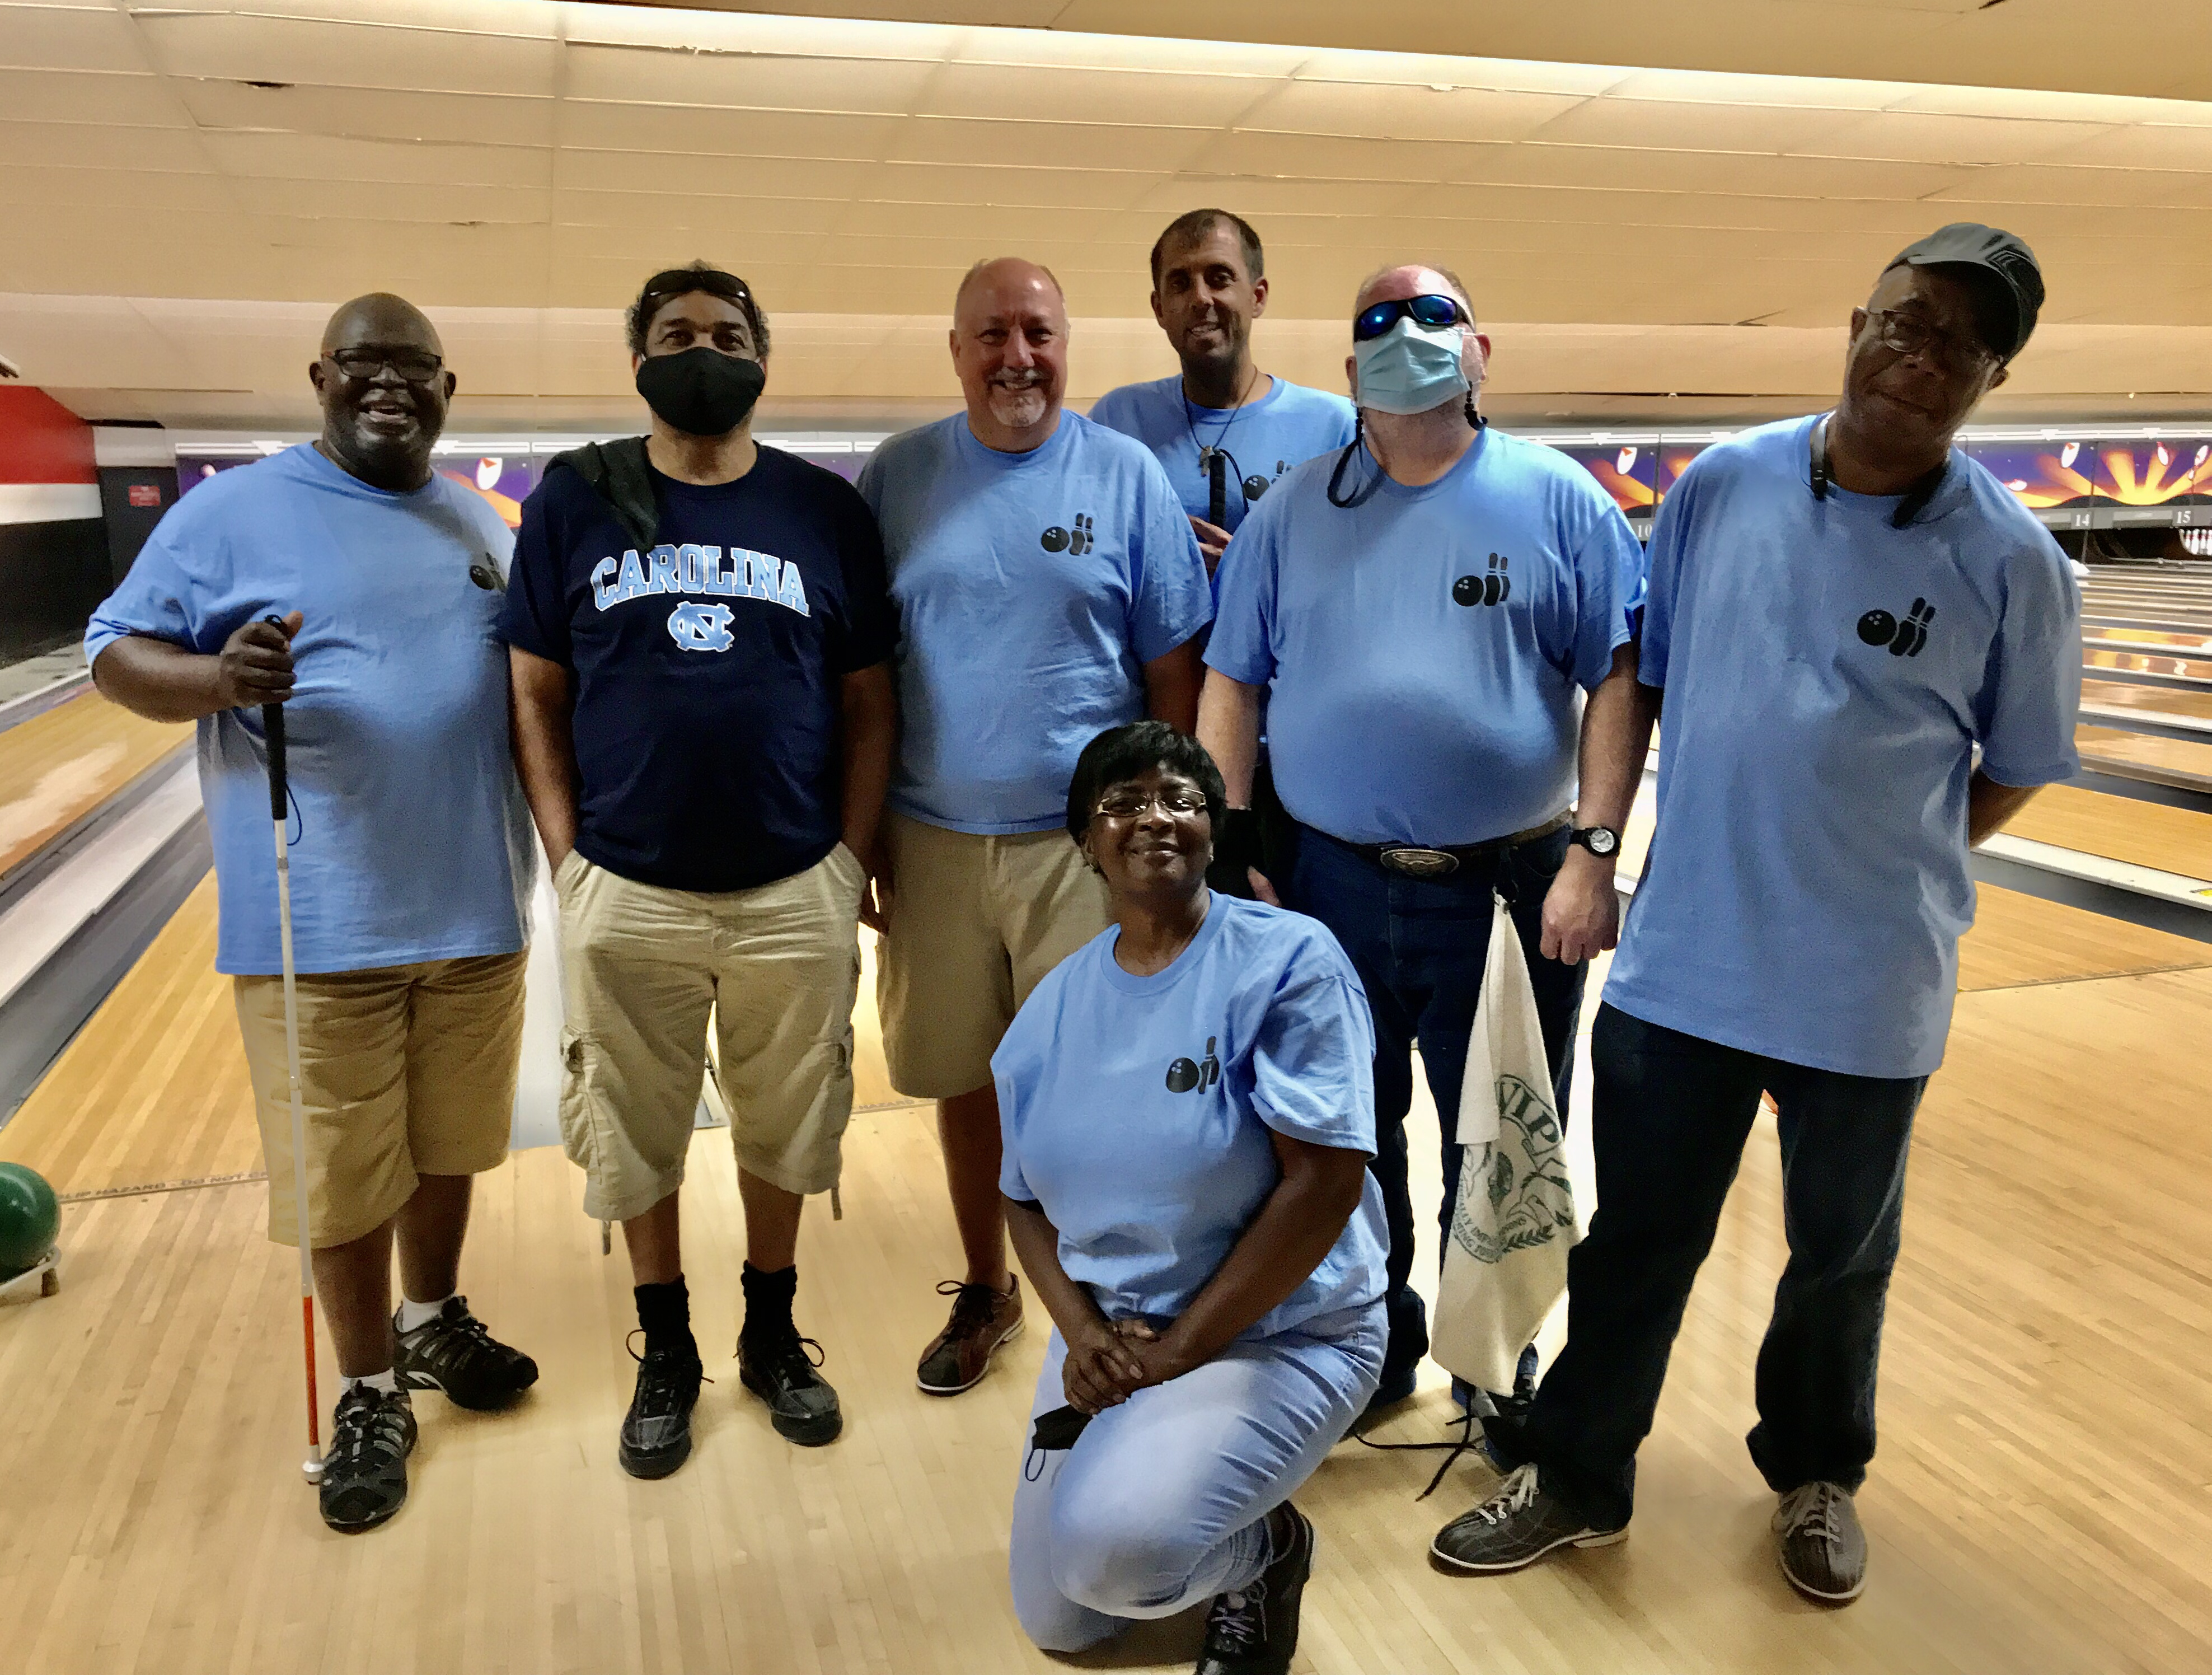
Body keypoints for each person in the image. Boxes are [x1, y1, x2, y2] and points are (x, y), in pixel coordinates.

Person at [1430, 224, 2080, 1606]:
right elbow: (1646, 678)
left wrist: (1899, 852)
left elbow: (2015, 766)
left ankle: (1816, 1474)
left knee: (1840, 1263)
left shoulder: (2015, 561)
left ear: (1994, 378)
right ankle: (1581, 1473)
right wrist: (1597, 851)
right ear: (1859, 319)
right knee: (1639, 1242)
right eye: (1906, 321)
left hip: (1869, 986)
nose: (1922, 356)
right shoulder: (1724, 484)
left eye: (1962, 343)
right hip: (1688, 969)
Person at [86, 294, 540, 1533]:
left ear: (447, 389)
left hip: (473, 905)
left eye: (412, 368)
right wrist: (214, 677)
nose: (386, 384)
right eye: (362, 364)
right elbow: (114, 649)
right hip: (320, 918)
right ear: (319, 377)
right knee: (346, 1177)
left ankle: (433, 1320)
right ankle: (368, 1387)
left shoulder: (474, 523)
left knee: (450, 1149)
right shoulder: (226, 514)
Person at [1198, 264, 1649, 1417]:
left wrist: (1595, 853)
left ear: (1480, 351)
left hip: (1512, 882)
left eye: (1432, 315)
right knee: (1351, 1138)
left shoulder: (1561, 500)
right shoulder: (1291, 513)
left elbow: (1617, 674)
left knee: (1497, 1136)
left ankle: (1493, 1358)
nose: (1407, 334)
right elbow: (1232, 687)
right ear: (1350, 373)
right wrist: (1233, 845)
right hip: (1329, 880)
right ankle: (1375, 1343)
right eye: (1379, 322)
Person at [503, 263, 898, 1473]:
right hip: (630, 886)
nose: (704, 349)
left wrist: (847, 856)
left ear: (762, 360)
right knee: (636, 1132)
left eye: (728, 334)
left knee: (789, 1124)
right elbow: (534, 688)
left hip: (792, 887)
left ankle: (772, 1332)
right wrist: (569, 858)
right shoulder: (578, 497)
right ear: (639, 360)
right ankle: (665, 1348)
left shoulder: (823, 512)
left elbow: (871, 701)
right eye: (678, 334)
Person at [857, 258, 1213, 1398]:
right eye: (994, 334)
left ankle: (1111, 1297)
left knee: (1097, 1079)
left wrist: (1163, 844)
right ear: (955, 350)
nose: (1019, 356)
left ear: (1069, 346)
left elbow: (1173, 674)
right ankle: (988, 1286)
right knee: (967, 1080)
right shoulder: (897, 479)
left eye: (1040, 333)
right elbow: (860, 677)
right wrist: (861, 834)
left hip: (1088, 852)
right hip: (933, 838)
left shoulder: (1126, 478)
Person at [998, 721, 1386, 1675]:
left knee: (1112, 1556)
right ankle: (1183, 1486)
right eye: (1122, 802)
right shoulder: (1053, 1002)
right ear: (1084, 841)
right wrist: (1082, 1334)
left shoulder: (1288, 959)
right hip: (1117, 1336)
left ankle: (1263, 1551)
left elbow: (1325, 1181)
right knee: (1066, 1618)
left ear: (1213, 826)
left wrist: (1179, 1349)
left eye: (1179, 798)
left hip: (1282, 1331)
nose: (1153, 817)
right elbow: (1019, 1199)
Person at [1089, 209, 1353, 576]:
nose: (1200, 298)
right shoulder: (1118, 419)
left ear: (1257, 297)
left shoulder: (1335, 427)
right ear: (1159, 308)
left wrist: (1246, 571)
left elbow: (1364, 566)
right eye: (1180, 284)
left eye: (1219, 279)